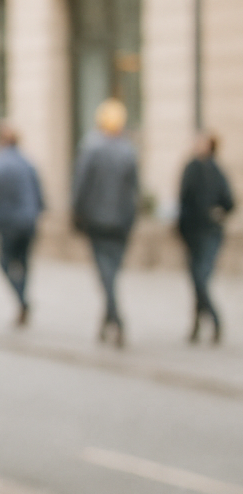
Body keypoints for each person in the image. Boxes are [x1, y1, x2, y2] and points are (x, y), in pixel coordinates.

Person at [72, 98, 140, 347]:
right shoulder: (128, 150)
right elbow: (135, 189)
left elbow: (80, 186)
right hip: (121, 221)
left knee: (106, 273)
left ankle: (115, 320)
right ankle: (108, 320)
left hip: (97, 220)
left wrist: (76, 215)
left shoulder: (91, 148)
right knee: (111, 272)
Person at [0, 123, 44, 326]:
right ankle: (22, 299)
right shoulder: (27, 162)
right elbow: (39, 194)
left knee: (5, 261)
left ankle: (21, 299)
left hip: (8, 221)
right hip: (28, 219)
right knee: (24, 263)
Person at [177, 131, 235, 343]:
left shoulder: (217, 171)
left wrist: (219, 212)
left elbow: (230, 201)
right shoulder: (190, 168)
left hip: (211, 232)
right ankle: (197, 324)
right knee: (196, 279)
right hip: (192, 232)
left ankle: (214, 320)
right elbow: (183, 200)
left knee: (201, 278)